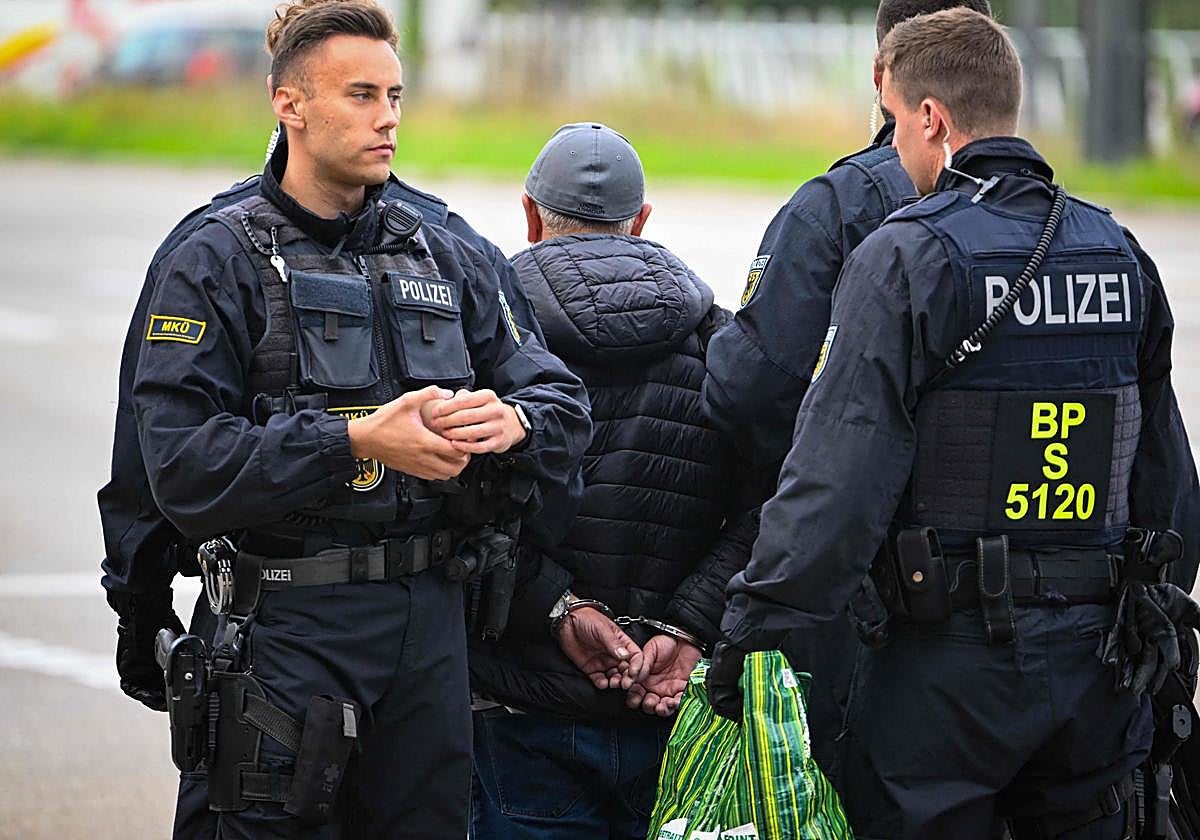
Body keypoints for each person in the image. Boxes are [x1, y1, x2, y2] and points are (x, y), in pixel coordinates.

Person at [708, 8, 1200, 838]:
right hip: (1099, 667)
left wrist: (760, 632)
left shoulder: (907, 256)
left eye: (896, 125)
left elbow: (838, 480)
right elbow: (1165, 478)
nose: (895, 150)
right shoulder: (1117, 250)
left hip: (948, 670)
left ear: (931, 120)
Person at [122, 1, 591, 836]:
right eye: (362, 95)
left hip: (430, 626)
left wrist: (512, 422)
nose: (388, 120)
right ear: (288, 103)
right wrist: (353, 441)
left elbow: (560, 401)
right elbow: (176, 464)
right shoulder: (213, 258)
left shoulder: (446, 248)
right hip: (284, 626)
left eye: (397, 96)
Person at [701, 0, 996, 780]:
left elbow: (752, 393)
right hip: (1046, 628)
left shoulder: (838, 206)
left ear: (883, 74)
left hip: (865, 596)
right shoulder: (1064, 228)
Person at [466, 123, 757, 840]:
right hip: (671, 711)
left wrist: (557, 609)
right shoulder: (720, 341)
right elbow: (771, 506)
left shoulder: (486, 342)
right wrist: (688, 626)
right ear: (642, 222)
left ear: (530, 217)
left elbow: (455, 506)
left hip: (521, 711)